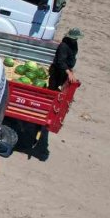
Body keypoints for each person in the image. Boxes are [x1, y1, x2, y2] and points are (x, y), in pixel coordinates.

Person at [31, 28, 82, 160]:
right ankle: (45, 112)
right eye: (74, 38)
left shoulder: (73, 44)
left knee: (56, 93)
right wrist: (68, 72)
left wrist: (70, 71)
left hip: (64, 73)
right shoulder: (64, 46)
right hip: (57, 73)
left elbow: (70, 60)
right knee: (52, 92)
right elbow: (60, 62)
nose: (76, 41)